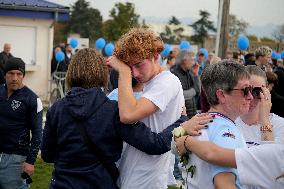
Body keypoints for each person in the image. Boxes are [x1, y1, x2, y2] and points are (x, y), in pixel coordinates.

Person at [42, 48, 206, 189]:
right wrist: (181, 121)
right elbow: (154, 144)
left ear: (71, 73)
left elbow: (47, 154)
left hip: (63, 183)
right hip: (100, 182)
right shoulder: (113, 110)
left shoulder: (57, 109)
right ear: (102, 73)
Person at [107, 28, 185, 188]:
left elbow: (127, 115)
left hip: (146, 180)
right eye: (129, 67)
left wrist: (123, 71)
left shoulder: (167, 82)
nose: (134, 73)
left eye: (138, 65)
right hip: (132, 174)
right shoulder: (153, 83)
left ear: (155, 56)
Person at [173, 60, 253, 189]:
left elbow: (173, 146)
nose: (250, 96)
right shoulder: (225, 129)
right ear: (221, 95)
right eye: (245, 90)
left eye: (251, 89)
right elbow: (224, 184)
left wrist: (182, 133)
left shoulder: (195, 122)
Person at [175, 137, 284, 189]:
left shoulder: (277, 154)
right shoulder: (277, 153)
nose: (250, 97)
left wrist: (187, 141)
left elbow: (212, 154)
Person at [0, 57, 43, 189]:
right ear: (4, 74)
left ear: (23, 76)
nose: (14, 78)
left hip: (16, 159)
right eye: (11, 73)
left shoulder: (32, 99)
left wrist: (30, 161)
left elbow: (37, 133)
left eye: (19, 74)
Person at [235, 65, 284, 147]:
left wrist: (264, 119)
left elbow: (268, 155)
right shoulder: (228, 121)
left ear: (266, 92)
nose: (250, 97)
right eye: (245, 90)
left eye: (256, 92)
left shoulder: (280, 125)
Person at [171, 50, 200, 118]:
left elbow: (198, 90)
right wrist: (193, 91)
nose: (194, 63)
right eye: (192, 60)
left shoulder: (189, 73)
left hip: (192, 112)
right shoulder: (174, 74)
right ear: (184, 60)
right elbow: (180, 95)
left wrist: (196, 74)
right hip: (181, 116)